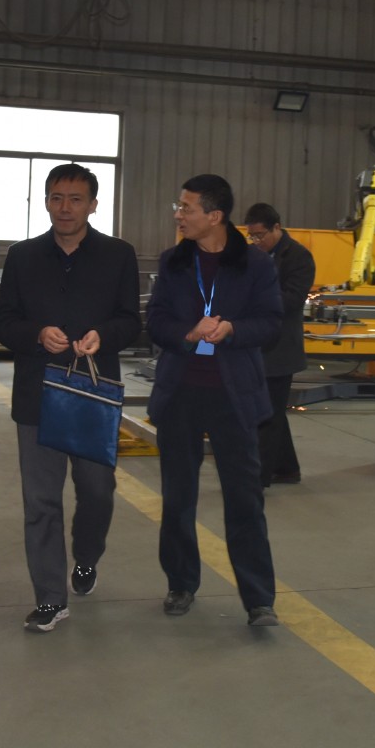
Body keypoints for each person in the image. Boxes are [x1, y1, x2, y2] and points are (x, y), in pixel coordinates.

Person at [0, 164, 141, 632]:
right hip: (37, 396)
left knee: (97, 491)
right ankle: (50, 597)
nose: (65, 208)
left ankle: (87, 555)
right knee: (41, 501)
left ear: (93, 205)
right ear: (46, 202)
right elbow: (3, 323)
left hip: (93, 395)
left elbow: (131, 321)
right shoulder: (22, 256)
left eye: (76, 199)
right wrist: (36, 334)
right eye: (56, 198)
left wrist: (103, 335)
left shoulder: (118, 255)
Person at [148, 175, 285, 626]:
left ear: (215, 216)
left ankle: (259, 599)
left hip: (233, 396)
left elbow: (271, 322)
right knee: (178, 497)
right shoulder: (173, 262)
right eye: (179, 206)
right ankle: (181, 583)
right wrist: (187, 333)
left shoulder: (255, 264)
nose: (178, 215)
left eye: (186, 208)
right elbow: (156, 321)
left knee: (244, 499)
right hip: (181, 394)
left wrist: (232, 330)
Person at [243, 203, 315, 489]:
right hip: (254, 345)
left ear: (276, 227)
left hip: (280, 348)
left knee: (267, 414)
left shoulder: (298, 257)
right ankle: (287, 468)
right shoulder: (251, 255)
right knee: (270, 410)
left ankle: (257, 479)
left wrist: (254, 300)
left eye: (260, 235)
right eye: (251, 236)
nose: (256, 241)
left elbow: (292, 299)